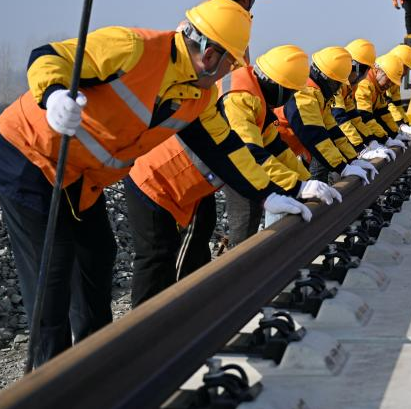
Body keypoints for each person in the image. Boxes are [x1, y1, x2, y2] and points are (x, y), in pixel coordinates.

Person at [0, 0, 251, 366]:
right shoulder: (135, 47)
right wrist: (54, 95)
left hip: (79, 176)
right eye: (229, 62)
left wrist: (275, 191)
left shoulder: (197, 94)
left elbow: (224, 150)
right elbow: (48, 55)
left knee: (99, 255)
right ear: (210, 53)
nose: (229, 71)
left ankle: (95, 365)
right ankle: (46, 384)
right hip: (29, 156)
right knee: (52, 277)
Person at [124, 45, 340, 305]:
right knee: (159, 255)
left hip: (194, 184)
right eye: (290, 92)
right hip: (162, 180)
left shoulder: (256, 95)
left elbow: (274, 147)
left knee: (197, 239)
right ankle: (164, 315)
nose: (290, 98)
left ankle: (192, 304)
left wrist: (304, 180)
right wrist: (293, 187)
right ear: (276, 84)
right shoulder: (241, 97)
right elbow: (252, 154)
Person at [281, 47, 377, 184]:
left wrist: (353, 159)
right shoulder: (306, 96)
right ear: (328, 79)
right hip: (275, 155)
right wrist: (342, 167)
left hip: (286, 154)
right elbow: (317, 136)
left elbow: (333, 131)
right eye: (337, 84)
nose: (338, 89)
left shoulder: (319, 95)